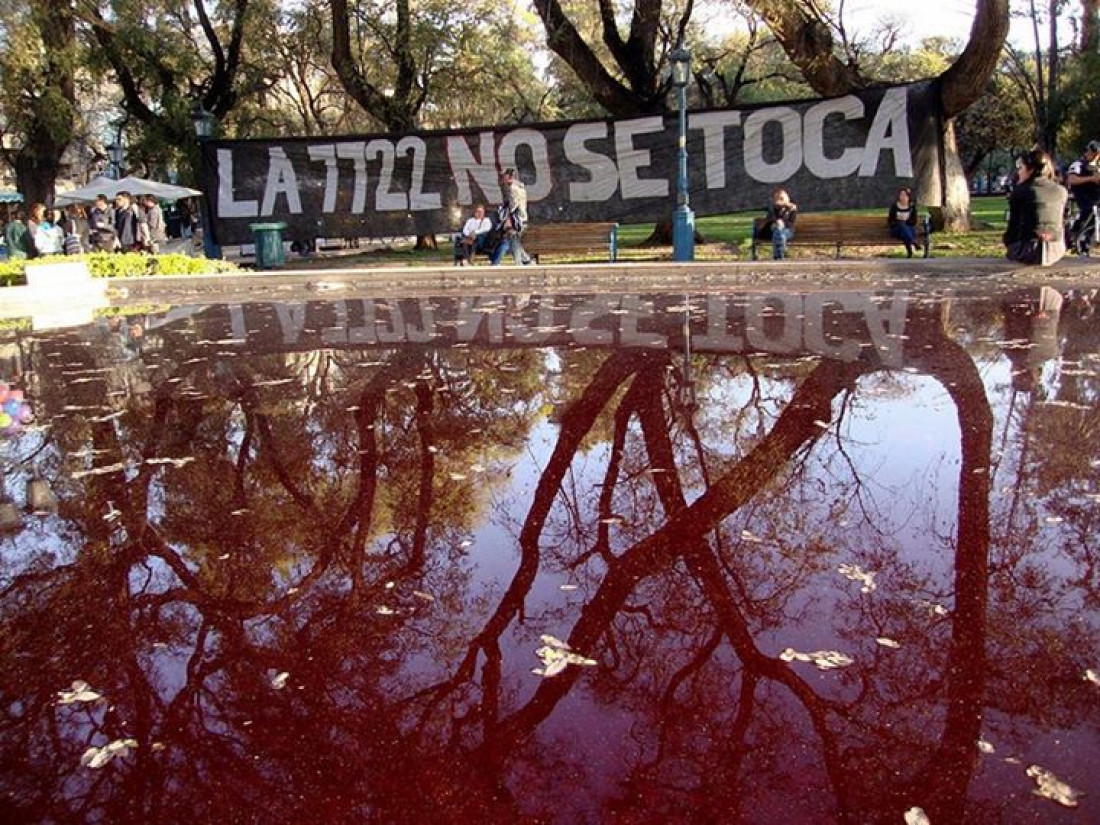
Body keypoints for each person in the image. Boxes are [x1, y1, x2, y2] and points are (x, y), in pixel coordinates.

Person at [1003, 149, 1068, 266]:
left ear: (1030, 170)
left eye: (1021, 168)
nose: (1019, 172)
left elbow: (1013, 227)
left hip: (1027, 249)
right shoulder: (1061, 191)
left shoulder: (1020, 191)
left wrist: (1007, 242)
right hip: (1056, 247)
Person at [1065, 139, 1100, 254]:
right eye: (1092, 153)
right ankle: (1074, 232)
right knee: (1089, 210)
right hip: (1082, 195)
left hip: (1096, 196)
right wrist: (1091, 178)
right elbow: (1071, 179)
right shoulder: (1078, 165)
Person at [490, 168, 531, 266]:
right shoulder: (521, 187)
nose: (503, 178)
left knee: (514, 240)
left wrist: (507, 218)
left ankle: (519, 264)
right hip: (523, 217)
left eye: (504, 176)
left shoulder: (513, 188)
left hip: (516, 219)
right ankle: (526, 260)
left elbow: (513, 206)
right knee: (514, 240)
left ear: (510, 176)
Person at [758, 188, 798, 259]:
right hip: (771, 231)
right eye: (777, 198)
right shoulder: (771, 209)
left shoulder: (792, 209)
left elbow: (791, 223)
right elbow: (769, 220)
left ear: (787, 199)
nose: (779, 200)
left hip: (787, 231)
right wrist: (777, 222)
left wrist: (782, 223)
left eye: (782, 198)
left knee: (780, 232)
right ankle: (780, 255)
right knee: (778, 232)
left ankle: (777, 256)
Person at [887, 187, 919, 258]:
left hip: (908, 229)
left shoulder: (912, 207)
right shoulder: (895, 206)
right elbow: (890, 220)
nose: (903, 197)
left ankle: (910, 252)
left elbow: (914, 221)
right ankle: (913, 242)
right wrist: (898, 222)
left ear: (908, 197)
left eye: (905, 195)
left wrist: (907, 222)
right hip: (896, 229)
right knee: (901, 226)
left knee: (904, 232)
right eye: (901, 195)